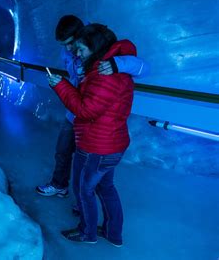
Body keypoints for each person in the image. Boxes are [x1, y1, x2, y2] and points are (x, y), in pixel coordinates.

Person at [36, 15, 148, 201]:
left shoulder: (100, 48)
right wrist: (63, 84)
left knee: (89, 167)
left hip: (92, 120)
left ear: (81, 37)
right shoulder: (72, 51)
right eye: (63, 45)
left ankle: (85, 203)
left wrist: (117, 64)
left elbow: (144, 68)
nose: (68, 50)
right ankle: (60, 185)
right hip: (75, 111)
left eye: (71, 44)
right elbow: (77, 82)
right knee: (63, 151)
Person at [48, 24, 136, 246]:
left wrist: (61, 87)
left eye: (81, 50)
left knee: (83, 189)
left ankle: (87, 233)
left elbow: (86, 110)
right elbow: (92, 102)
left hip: (97, 146)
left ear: (94, 49)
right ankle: (112, 232)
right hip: (109, 143)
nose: (77, 54)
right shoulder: (106, 69)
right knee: (105, 187)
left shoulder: (104, 75)